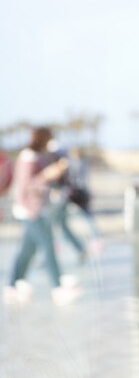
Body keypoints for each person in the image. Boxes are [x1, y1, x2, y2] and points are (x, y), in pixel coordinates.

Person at [3, 127, 80, 306]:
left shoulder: (36, 157)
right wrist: (47, 174)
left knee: (27, 251)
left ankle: (12, 286)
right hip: (29, 211)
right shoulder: (27, 158)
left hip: (35, 208)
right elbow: (27, 184)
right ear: (43, 139)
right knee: (48, 246)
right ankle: (57, 287)